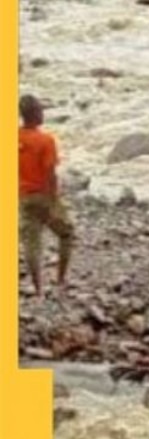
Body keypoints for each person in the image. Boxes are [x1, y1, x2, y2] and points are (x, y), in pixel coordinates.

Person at [18, 95, 73, 299]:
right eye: (40, 110)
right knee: (67, 233)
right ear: (34, 114)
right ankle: (60, 280)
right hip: (42, 195)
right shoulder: (46, 140)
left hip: (22, 197)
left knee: (32, 243)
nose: (43, 113)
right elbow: (50, 173)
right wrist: (53, 201)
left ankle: (38, 289)